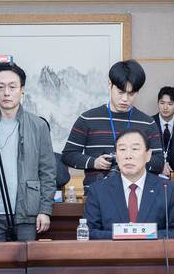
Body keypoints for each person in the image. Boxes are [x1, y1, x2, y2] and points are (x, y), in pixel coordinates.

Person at [0, 63, 57, 241]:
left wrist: (45, 210)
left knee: (23, 259)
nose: (6, 93)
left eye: (12, 87)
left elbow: (48, 172)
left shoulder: (38, 126)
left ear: (22, 90)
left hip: (26, 213)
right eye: (1, 87)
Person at [62, 59, 164, 193]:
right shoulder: (87, 119)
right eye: (120, 92)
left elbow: (159, 162)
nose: (125, 99)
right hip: (97, 194)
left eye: (131, 94)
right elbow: (68, 155)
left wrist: (134, 160)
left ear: (137, 92)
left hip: (136, 195)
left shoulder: (148, 123)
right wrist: (94, 162)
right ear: (110, 84)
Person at [82, 128, 174, 239]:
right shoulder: (98, 190)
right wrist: (124, 234)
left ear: (148, 155)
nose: (128, 156)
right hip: (114, 250)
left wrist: (143, 234)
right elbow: (88, 232)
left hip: (153, 250)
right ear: (116, 156)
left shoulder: (167, 189)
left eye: (135, 149)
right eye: (122, 149)